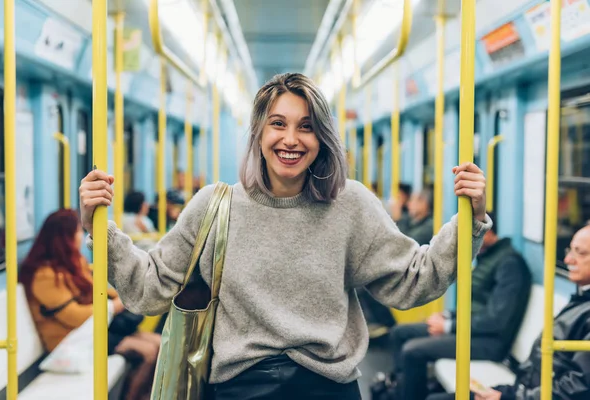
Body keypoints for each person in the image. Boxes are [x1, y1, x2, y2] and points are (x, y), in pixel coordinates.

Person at [79, 72, 491, 400]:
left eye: (306, 127)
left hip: (328, 386)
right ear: (259, 133)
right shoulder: (214, 207)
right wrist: (99, 227)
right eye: (278, 124)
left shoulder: (351, 206)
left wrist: (471, 218)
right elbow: (149, 287)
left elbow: (414, 281)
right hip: (242, 387)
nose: (291, 139)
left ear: (321, 140)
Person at [377, 212, 531, 400]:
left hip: (489, 342)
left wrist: (449, 326)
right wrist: (448, 317)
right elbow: (475, 304)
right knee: (400, 333)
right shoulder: (489, 257)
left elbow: (496, 320)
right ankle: (401, 390)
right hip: (468, 329)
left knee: (413, 350)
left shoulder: (510, 264)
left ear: (489, 233)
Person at [427, 224, 590, 400]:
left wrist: (508, 397)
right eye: (570, 251)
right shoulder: (580, 300)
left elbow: (578, 387)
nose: (568, 260)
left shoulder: (509, 263)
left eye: (580, 253)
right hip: (526, 388)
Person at [19, 209, 161, 400]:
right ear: (64, 237)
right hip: (70, 340)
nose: (81, 237)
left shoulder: (72, 262)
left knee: (159, 344)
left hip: (90, 332)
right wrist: (116, 306)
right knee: (149, 352)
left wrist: (125, 294)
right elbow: (74, 316)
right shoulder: (44, 275)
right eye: (78, 231)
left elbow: (94, 289)